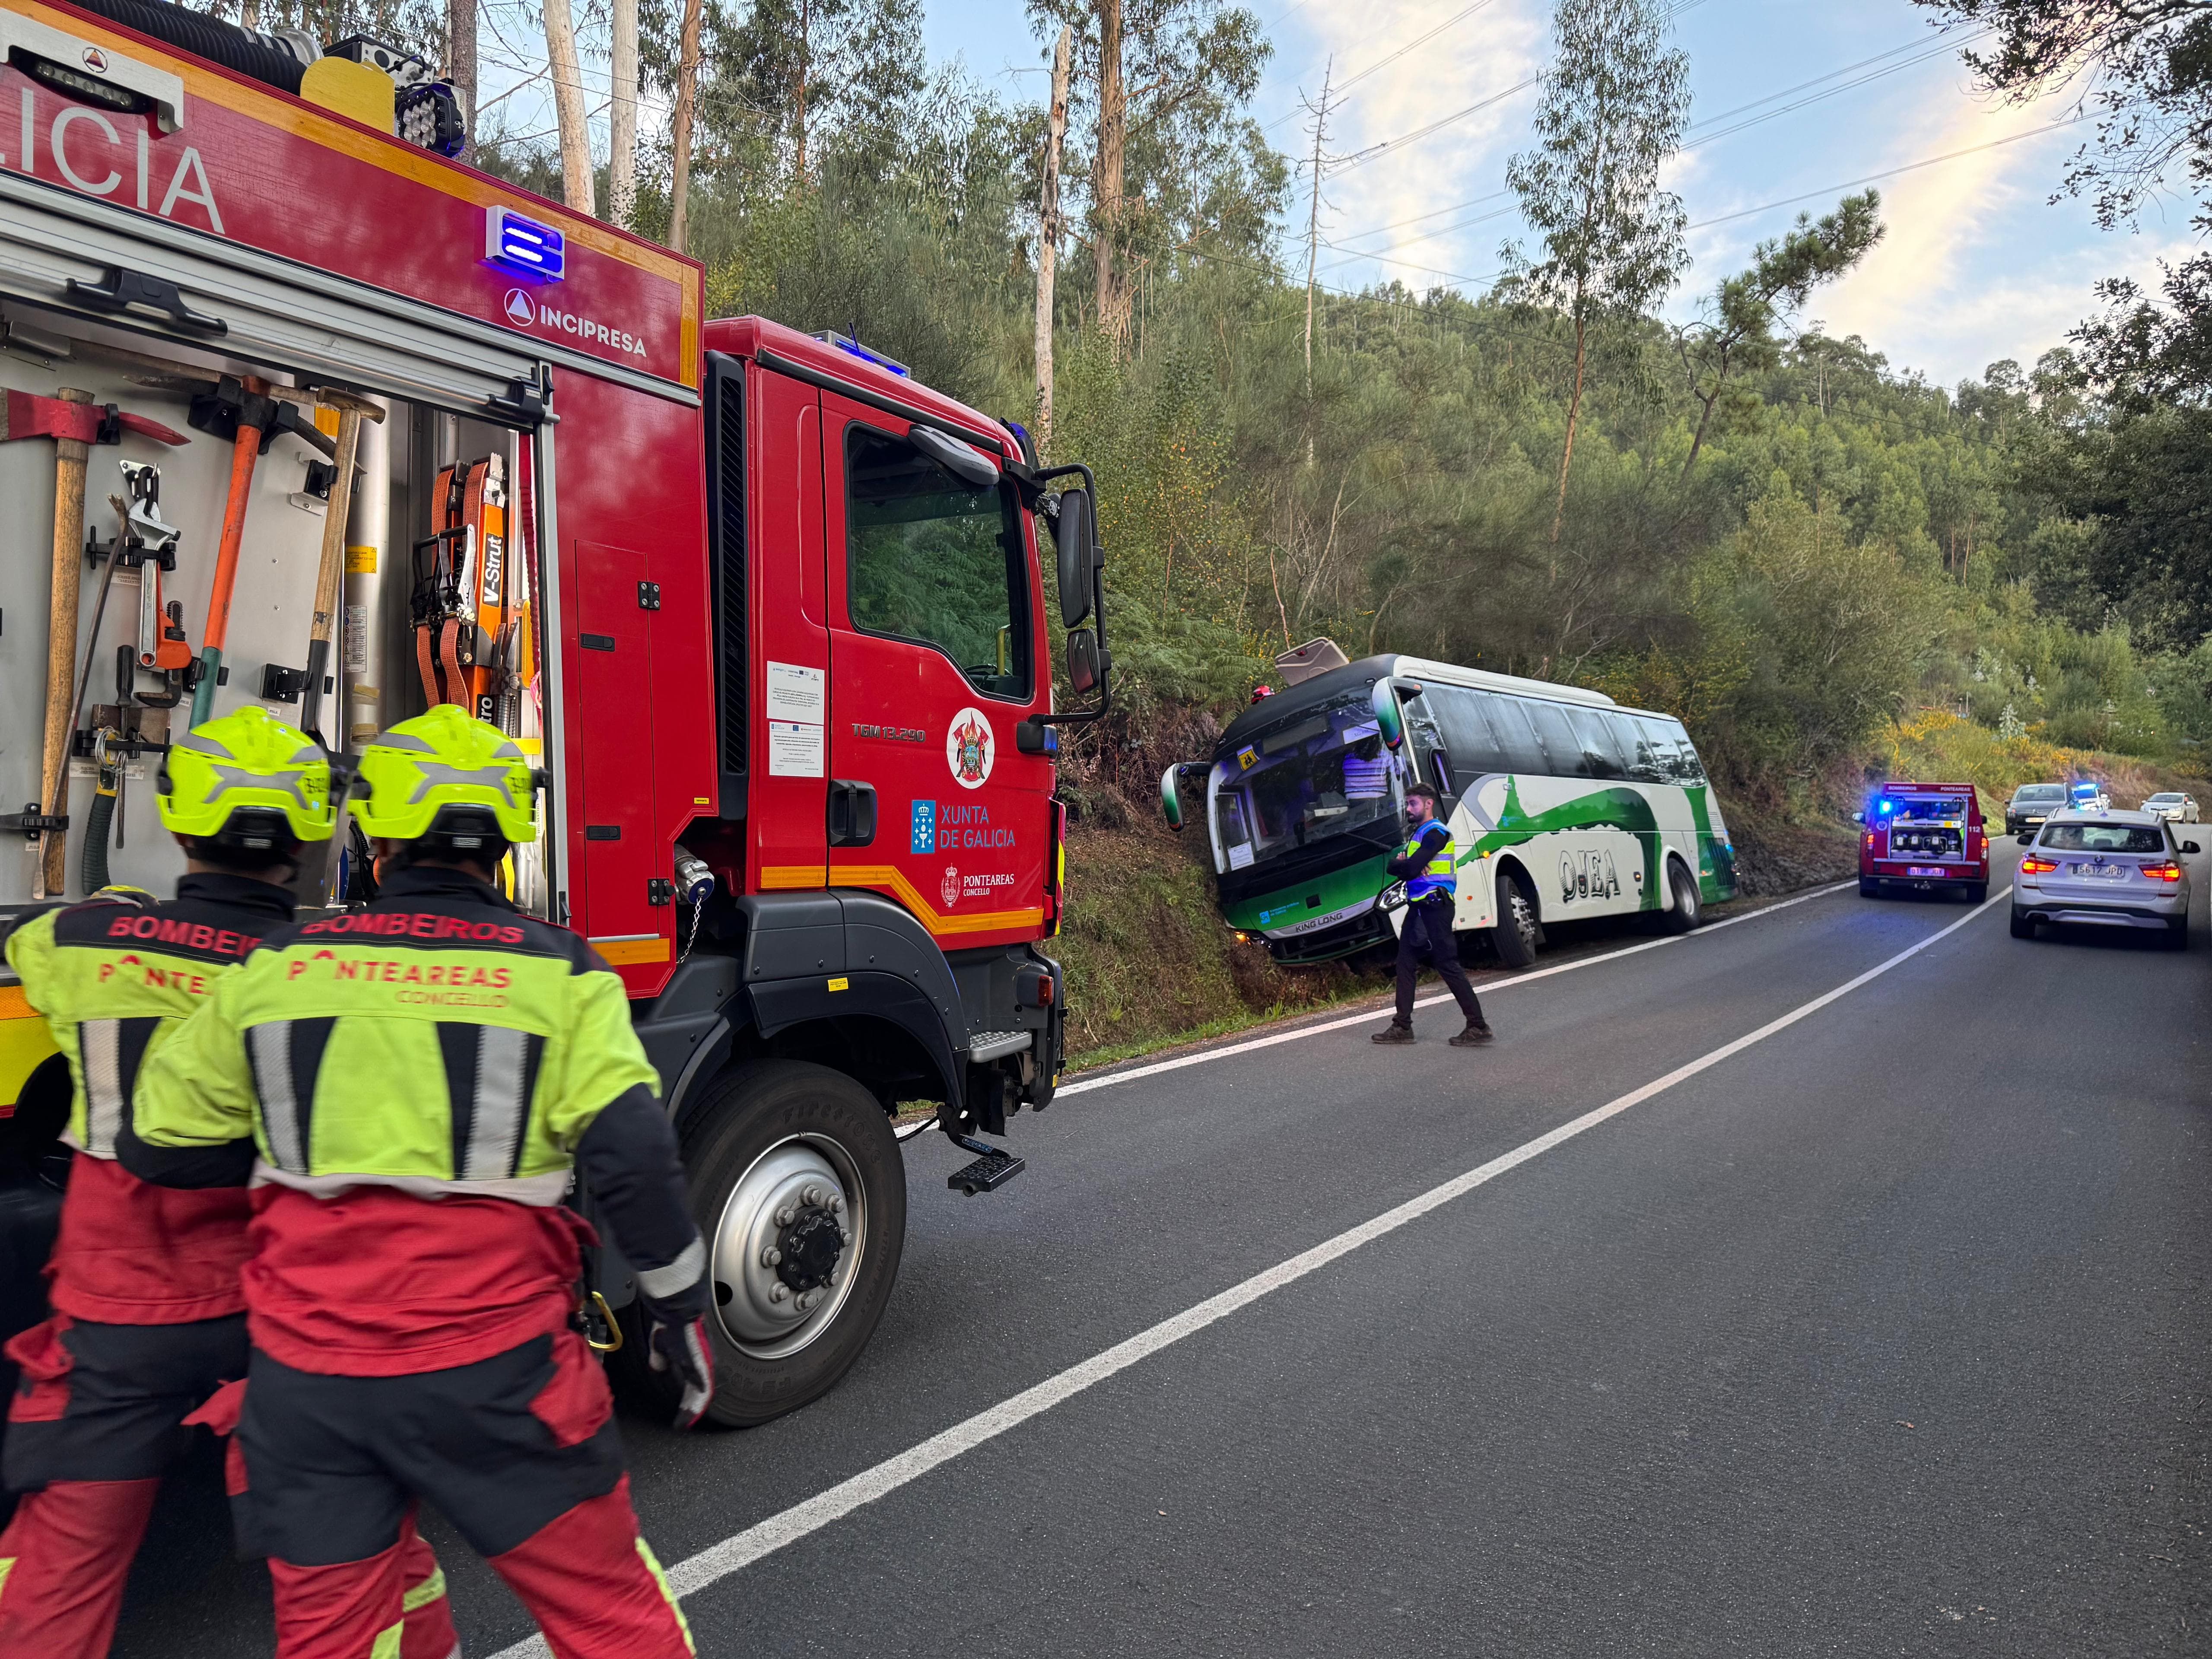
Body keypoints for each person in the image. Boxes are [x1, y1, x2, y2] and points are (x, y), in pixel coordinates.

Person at [123, 704, 711, 1659]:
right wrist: (679, 1307)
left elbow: (157, 1143)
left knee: (335, 1639)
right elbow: (632, 1156)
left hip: (307, 1387)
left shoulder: (278, 969)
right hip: (499, 1375)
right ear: (507, 841)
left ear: (374, 841)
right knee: (610, 1619)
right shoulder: (561, 976)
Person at [0, 706, 457, 1659]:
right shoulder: (337, 970)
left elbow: (31, 955)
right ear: (314, 835)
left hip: (115, 1310)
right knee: (356, 1560)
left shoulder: (85, 941)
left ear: (177, 822)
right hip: (287, 1310)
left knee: (58, 1565)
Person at [1372, 784, 1493, 1047]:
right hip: (1419, 907)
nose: (1408, 809)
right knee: (1405, 963)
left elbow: (1411, 867)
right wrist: (1404, 865)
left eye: (1413, 803)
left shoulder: (1437, 833)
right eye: (1408, 803)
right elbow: (1404, 867)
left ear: (1428, 804)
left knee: (1446, 963)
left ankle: (1477, 1025)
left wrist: (1406, 865)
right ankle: (1402, 1026)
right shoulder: (1420, 836)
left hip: (1435, 906)